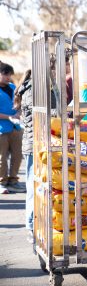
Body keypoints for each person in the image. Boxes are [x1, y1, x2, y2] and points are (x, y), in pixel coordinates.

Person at [13, 69, 34, 242]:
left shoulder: (28, 88)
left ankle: (33, 225)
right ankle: (32, 226)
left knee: (35, 187)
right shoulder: (35, 89)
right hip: (35, 145)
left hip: (32, 144)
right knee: (35, 188)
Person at [0, 62, 25, 194]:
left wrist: (19, 113)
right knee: (1, 157)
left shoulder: (12, 87)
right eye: (5, 74)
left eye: (9, 74)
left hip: (15, 127)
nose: (8, 77)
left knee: (18, 155)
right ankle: (2, 182)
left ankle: (13, 181)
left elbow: (19, 103)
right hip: (2, 129)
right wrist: (9, 117)